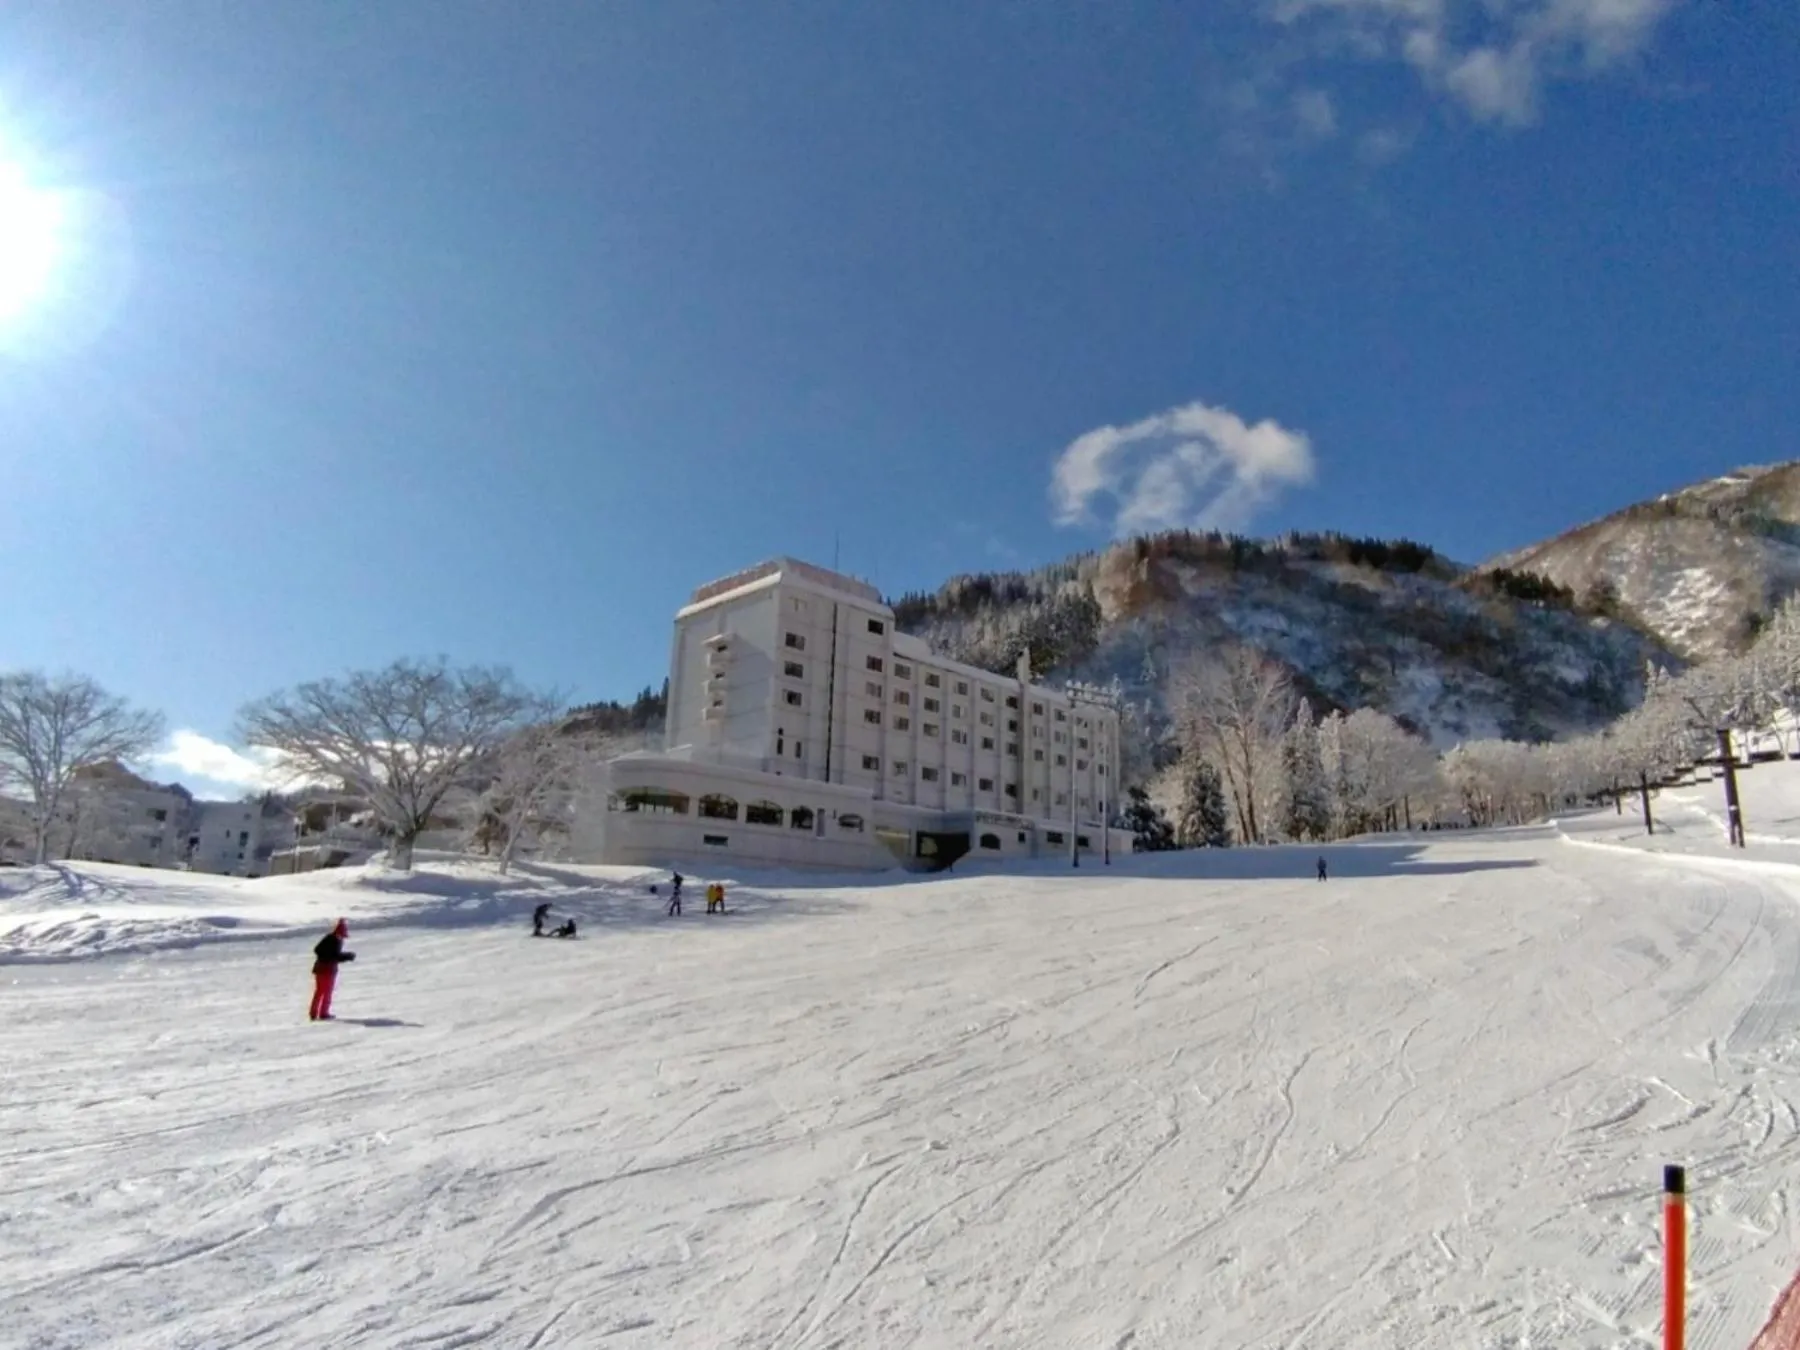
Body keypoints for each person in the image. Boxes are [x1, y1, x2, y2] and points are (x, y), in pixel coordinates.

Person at [309, 918, 356, 1021]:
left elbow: (328, 954)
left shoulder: (331, 938)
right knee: (325, 992)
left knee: (321, 991)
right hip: (326, 970)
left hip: (323, 969)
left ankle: (316, 1013)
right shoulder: (333, 940)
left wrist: (343, 956)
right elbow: (333, 956)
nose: (342, 938)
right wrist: (347, 956)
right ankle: (322, 1013)